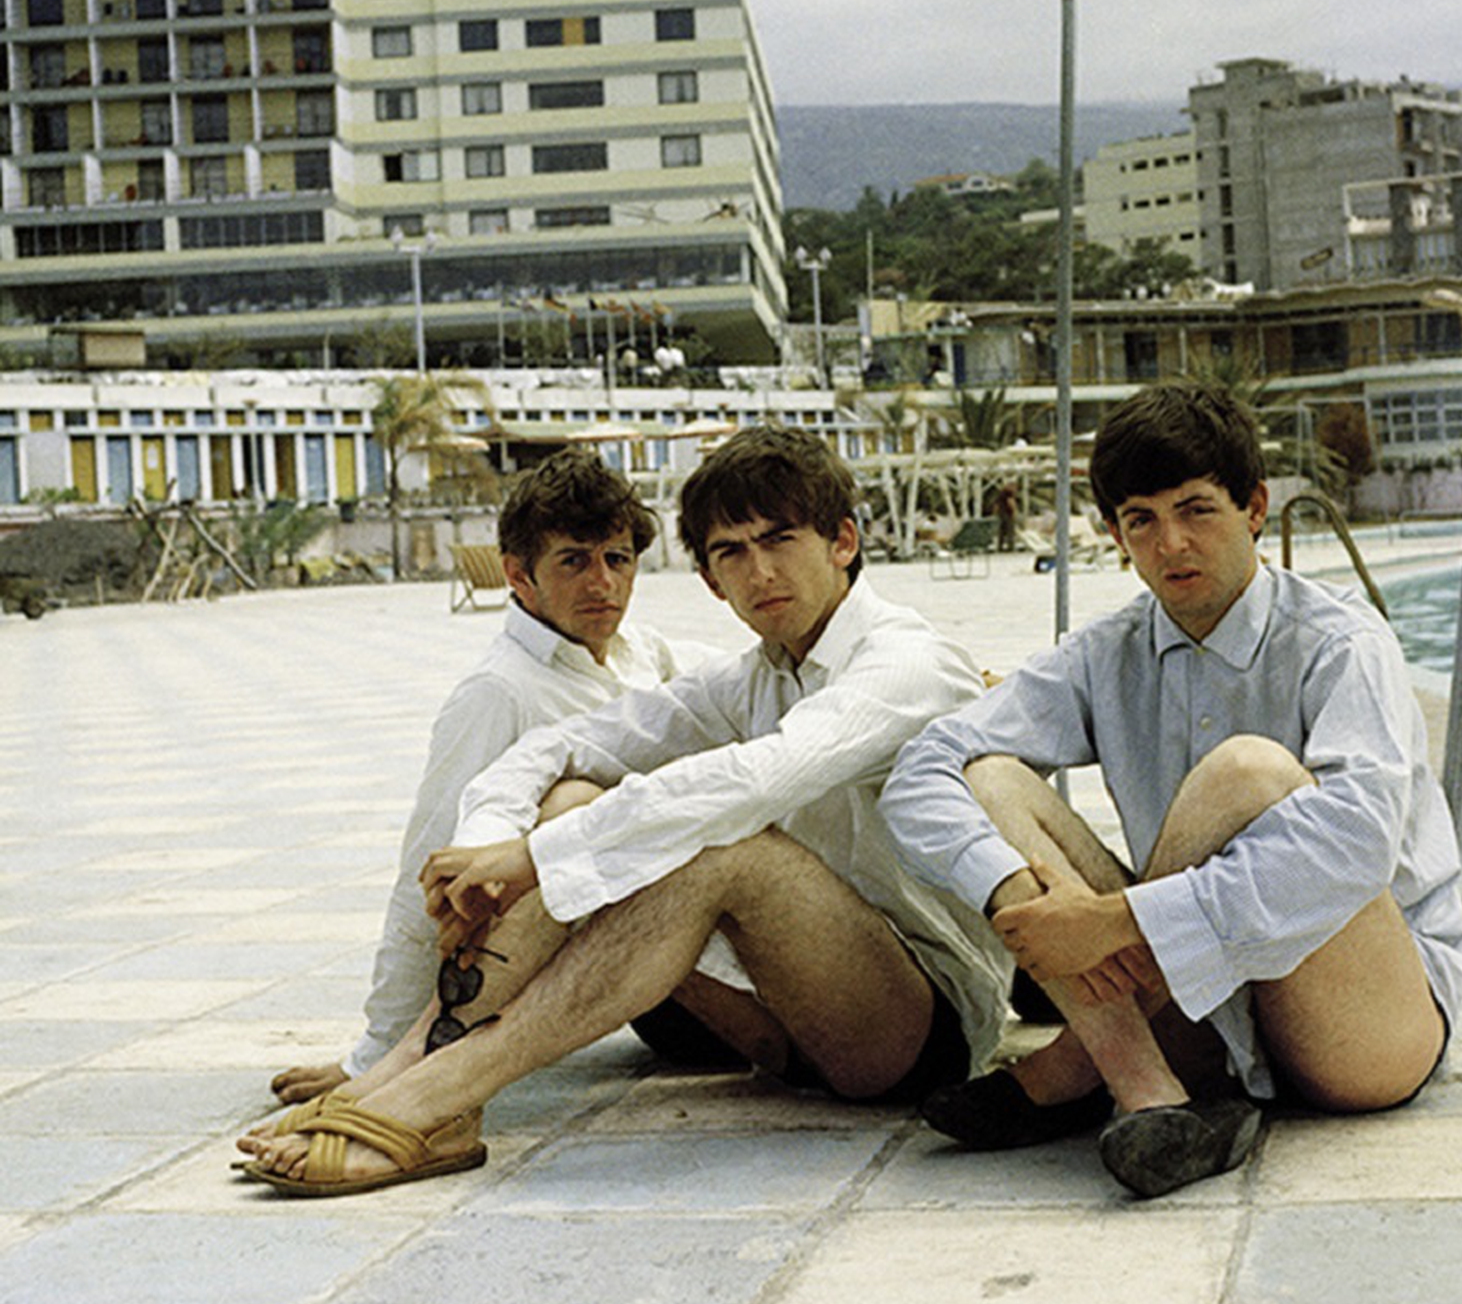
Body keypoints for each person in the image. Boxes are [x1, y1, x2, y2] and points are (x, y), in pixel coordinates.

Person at [239, 425, 1009, 1196]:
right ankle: (420, 1065)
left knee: (726, 842)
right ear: (709, 579)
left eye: (780, 538)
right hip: (780, 1023)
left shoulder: (907, 660)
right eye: (730, 552)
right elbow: (564, 745)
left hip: (914, 1025)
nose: (759, 570)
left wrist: (535, 858)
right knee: (576, 796)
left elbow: (756, 779)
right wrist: (488, 846)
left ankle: (439, 1093)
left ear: (842, 541)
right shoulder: (754, 676)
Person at [880, 382, 1462, 1199]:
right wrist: (1020, 897)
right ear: (1117, 535)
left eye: (1197, 510)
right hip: (1199, 1015)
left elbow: (1359, 843)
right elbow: (923, 768)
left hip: (1363, 1023)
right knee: (990, 775)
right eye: (1142, 520)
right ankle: (1149, 1091)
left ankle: (1082, 1058)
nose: (1172, 543)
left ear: (1255, 507)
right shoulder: (1106, 652)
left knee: (1248, 770)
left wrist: (1113, 922)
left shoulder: (1341, 641)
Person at [265, 446, 712, 1111]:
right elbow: (429, 870)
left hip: (690, 945)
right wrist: (376, 1051)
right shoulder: (499, 693)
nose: (603, 583)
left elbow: (738, 688)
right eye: (574, 560)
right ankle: (417, 1071)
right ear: (519, 575)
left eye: (617, 559)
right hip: (662, 986)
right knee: (572, 804)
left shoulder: (640, 653)